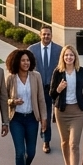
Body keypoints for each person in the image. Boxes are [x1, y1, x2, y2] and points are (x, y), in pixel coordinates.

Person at [5, 48, 48, 165]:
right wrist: (12, 102)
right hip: (16, 119)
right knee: (20, 152)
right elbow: (4, 99)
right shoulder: (11, 78)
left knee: (31, 152)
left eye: (28, 60)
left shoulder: (36, 76)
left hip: (31, 118)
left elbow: (41, 99)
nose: (26, 63)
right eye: (23, 60)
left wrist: (44, 119)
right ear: (17, 62)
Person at [49, 46, 83, 165]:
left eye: (71, 55)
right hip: (62, 111)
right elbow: (52, 94)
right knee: (65, 142)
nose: (69, 58)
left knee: (74, 144)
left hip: (77, 111)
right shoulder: (58, 72)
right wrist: (59, 89)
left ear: (75, 57)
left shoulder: (82, 71)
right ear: (63, 57)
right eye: (66, 55)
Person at [32, 26, 63, 154]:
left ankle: (52, 141)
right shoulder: (32, 50)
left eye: (48, 34)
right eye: (44, 34)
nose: (46, 36)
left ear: (51, 35)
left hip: (54, 89)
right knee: (41, 115)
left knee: (53, 115)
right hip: (39, 88)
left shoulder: (59, 50)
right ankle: (43, 139)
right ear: (40, 35)